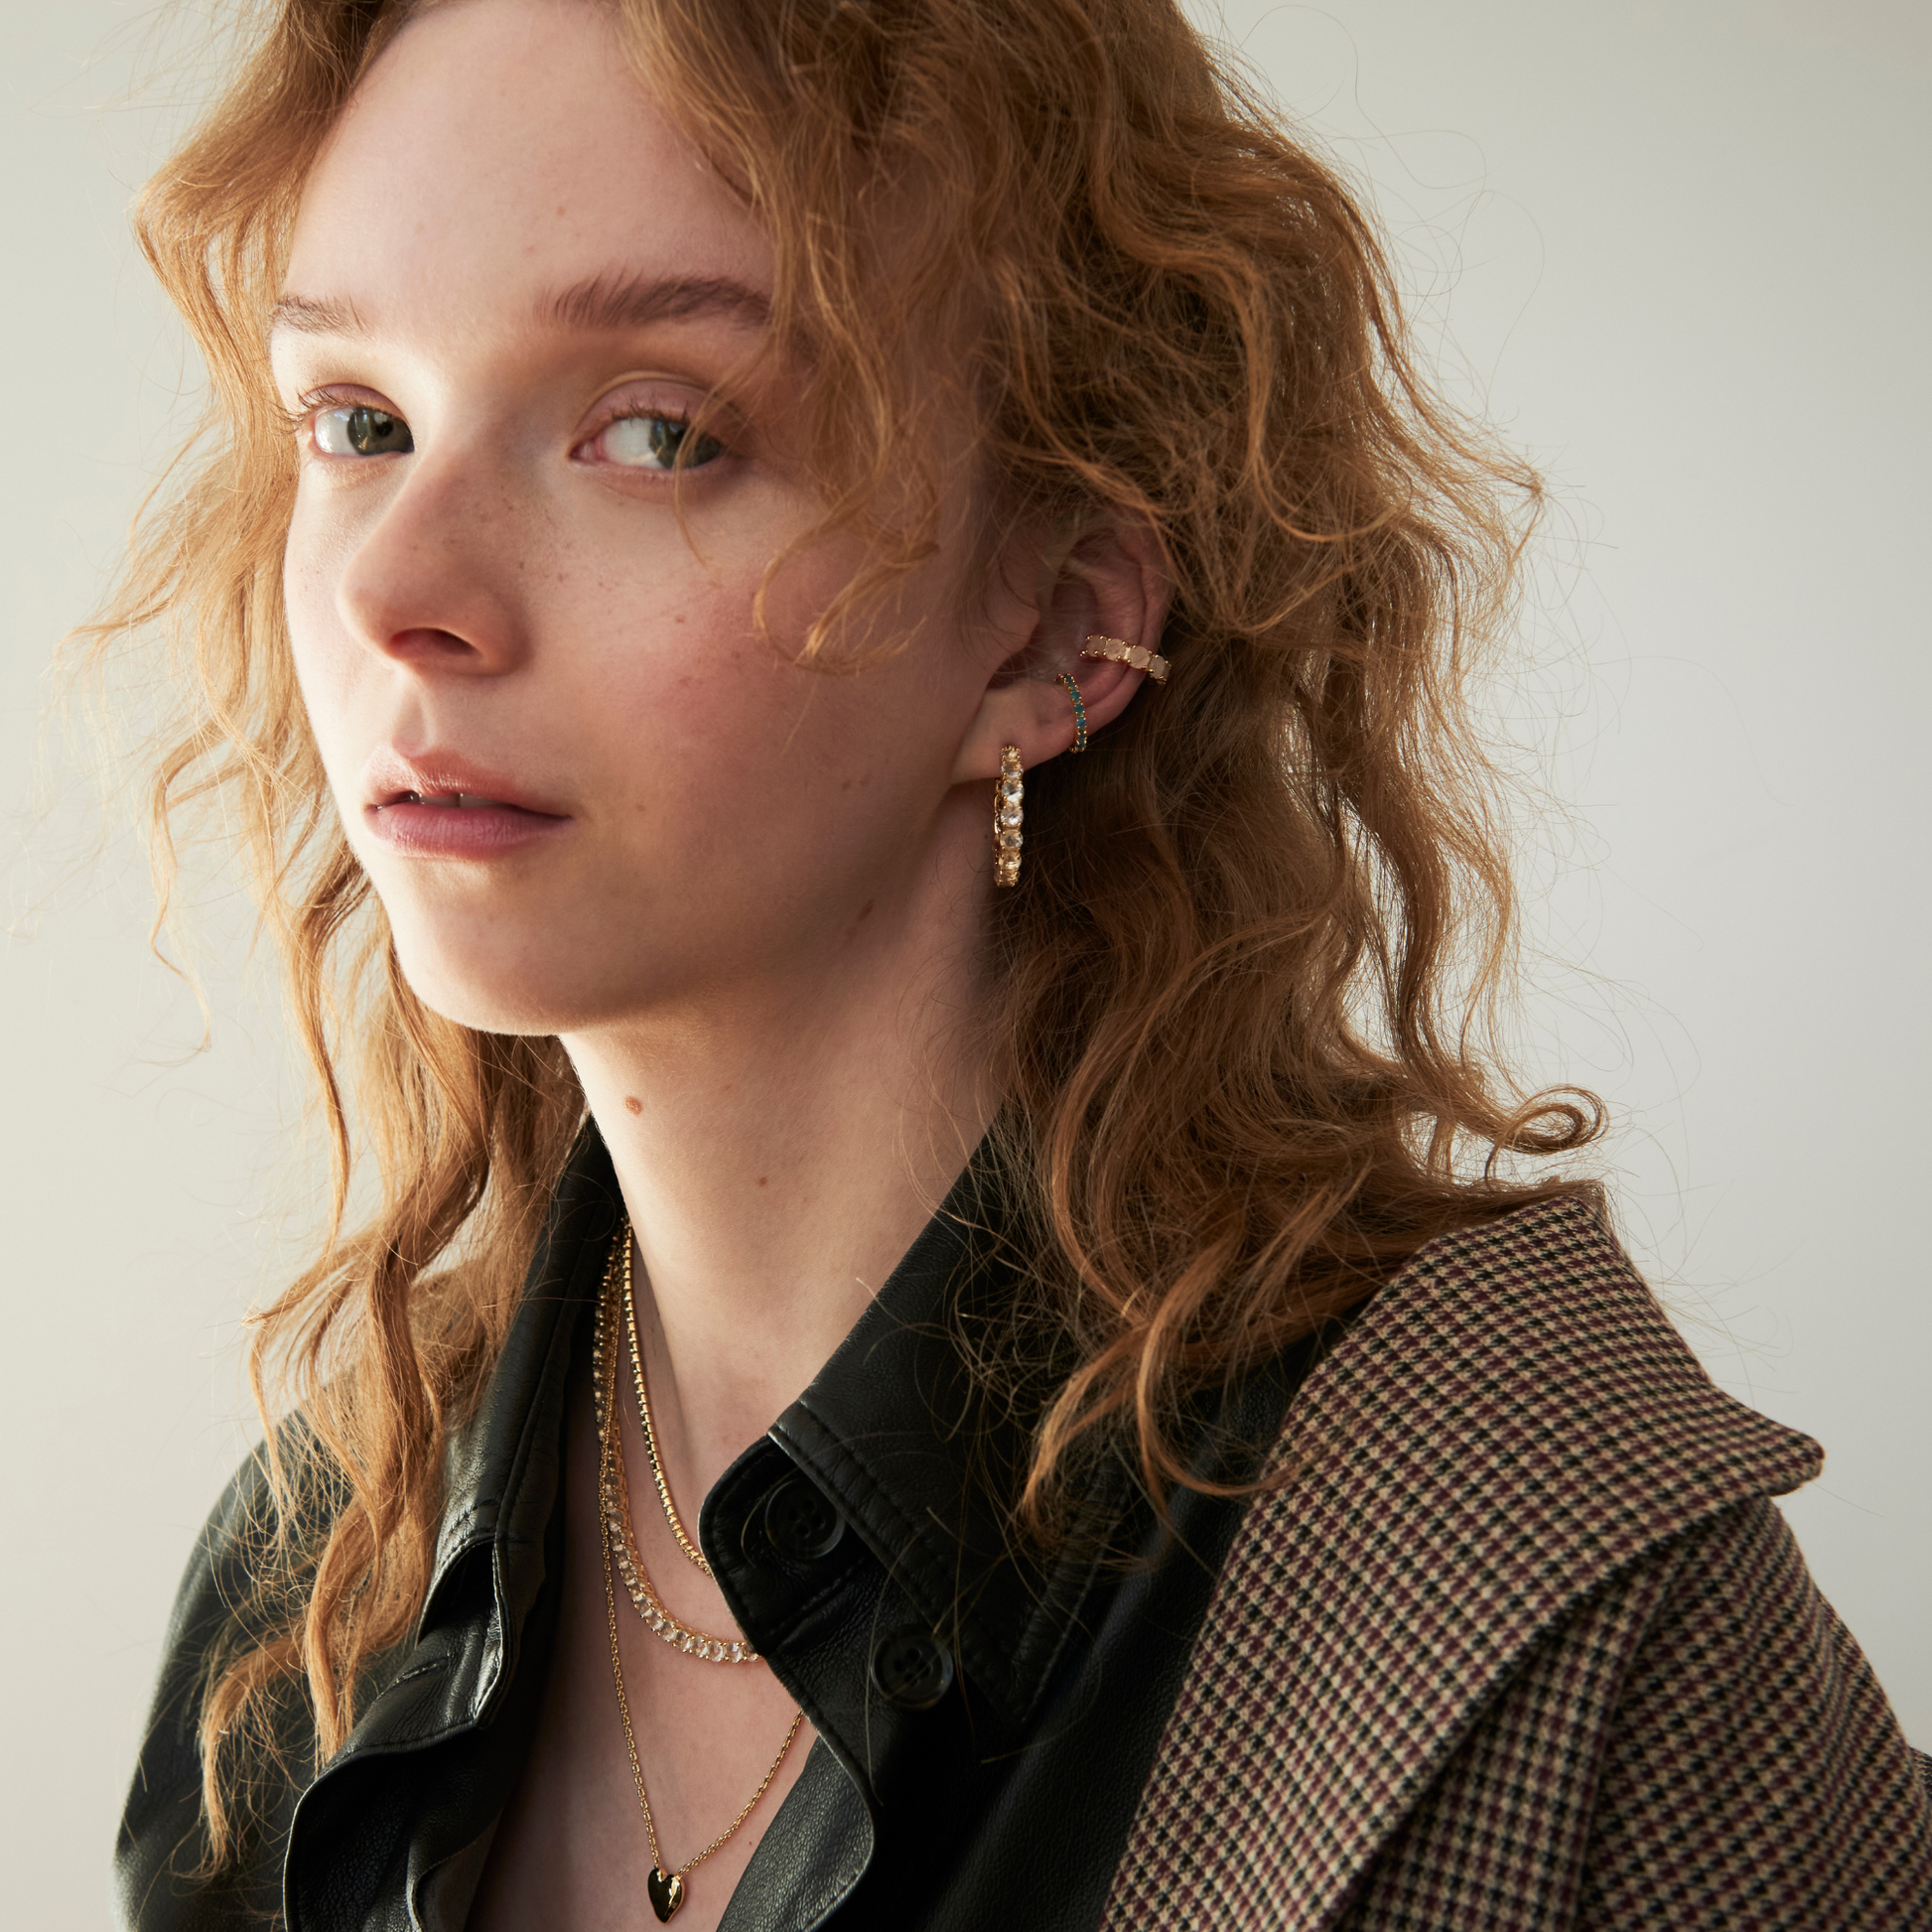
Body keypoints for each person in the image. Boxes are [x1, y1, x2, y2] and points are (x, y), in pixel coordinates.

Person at [103, 0, 1931, 1926]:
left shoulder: (1529, 1596)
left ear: (1057, 630)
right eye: (358, 420)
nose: (400, 589)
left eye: (656, 430)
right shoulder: (308, 1599)